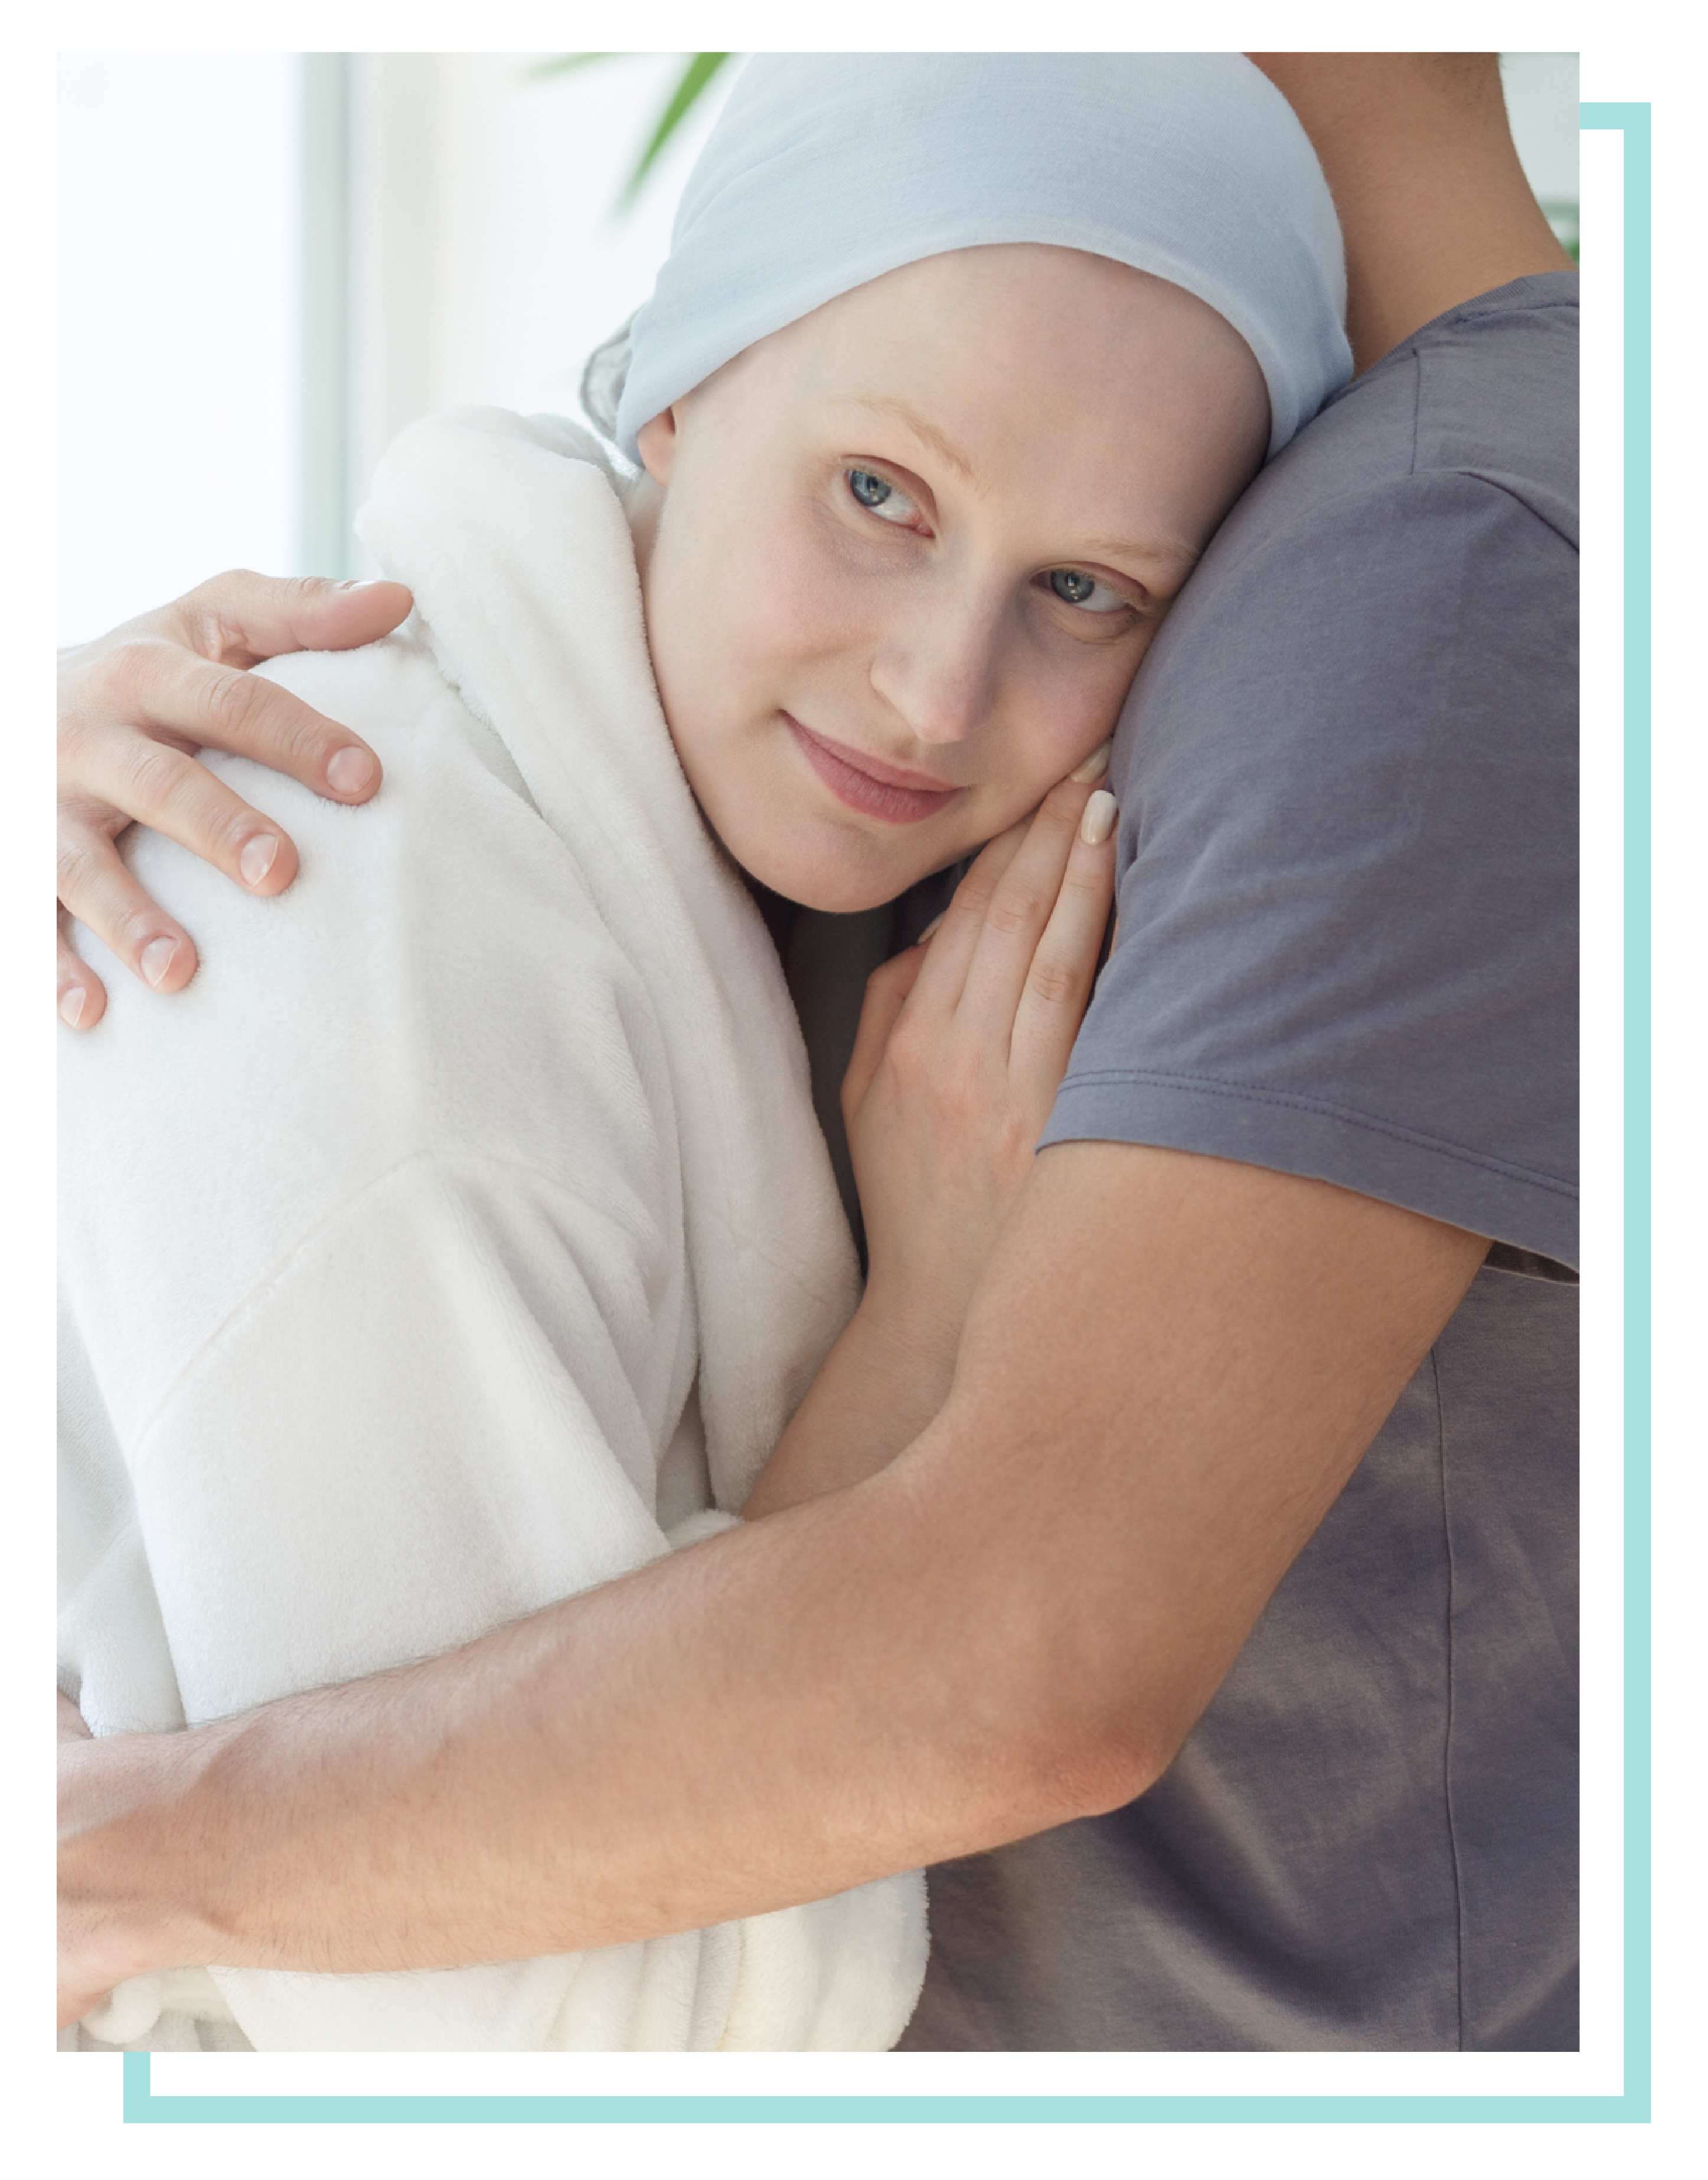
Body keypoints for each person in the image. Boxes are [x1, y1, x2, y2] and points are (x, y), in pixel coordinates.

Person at [57, 50, 1584, 2053]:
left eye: (1085, 591)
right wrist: (925, 1322)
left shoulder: (741, 842)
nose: (936, 689)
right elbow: (544, 2023)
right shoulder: (356, 929)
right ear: (669, 388)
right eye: (879, 496)